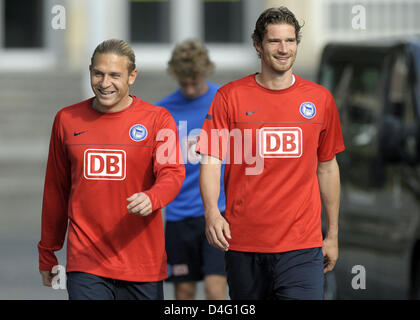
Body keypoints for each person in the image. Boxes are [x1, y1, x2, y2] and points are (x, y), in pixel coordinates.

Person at [197, 7, 345, 300]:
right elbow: (211, 160)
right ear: (257, 44)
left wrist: (333, 235)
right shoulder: (230, 97)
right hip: (243, 244)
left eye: (290, 41)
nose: (283, 49)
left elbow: (327, 167)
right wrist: (212, 212)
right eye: (274, 41)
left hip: (302, 246)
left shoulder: (320, 99)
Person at [38, 39, 185, 300]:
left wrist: (153, 197)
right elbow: (56, 191)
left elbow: (172, 173)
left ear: (132, 76)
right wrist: (47, 251)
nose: (105, 83)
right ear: (90, 71)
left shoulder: (158, 119)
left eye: (115, 75)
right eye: (99, 74)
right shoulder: (66, 119)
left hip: (141, 264)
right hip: (86, 261)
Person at [156, 39, 227, 300]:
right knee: (184, 292)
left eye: (194, 81)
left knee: (214, 288)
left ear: (206, 71)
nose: (189, 88)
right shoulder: (163, 110)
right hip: (178, 215)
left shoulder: (223, 100)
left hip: (217, 211)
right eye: (183, 82)